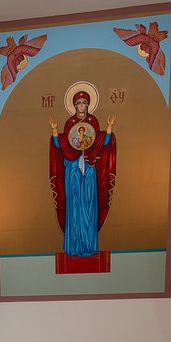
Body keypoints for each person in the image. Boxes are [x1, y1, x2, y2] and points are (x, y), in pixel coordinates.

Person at [48, 88, 117, 258]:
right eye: (78, 103)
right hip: (72, 170)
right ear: (74, 105)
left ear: (88, 104)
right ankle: (73, 247)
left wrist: (108, 127)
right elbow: (60, 146)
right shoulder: (69, 123)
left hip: (89, 169)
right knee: (74, 207)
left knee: (88, 205)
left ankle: (88, 246)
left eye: (84, 102)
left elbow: (103, 143)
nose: (81, 106)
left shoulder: (93, 122)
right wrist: (55, 131)